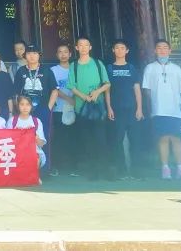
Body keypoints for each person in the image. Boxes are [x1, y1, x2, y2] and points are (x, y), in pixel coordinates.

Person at [141, 39, 181, 180]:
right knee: (163, 138)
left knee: (176, 138)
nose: (162, 50)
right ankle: (165, 168)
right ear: (155, 51)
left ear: (170, 51)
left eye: (165, 48)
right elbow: (147, 90)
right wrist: (156, 102)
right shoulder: (150, 68)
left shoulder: (176, 69)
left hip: (176, 110)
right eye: (159, 48)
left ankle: (180, 169)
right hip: (159, 110)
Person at [67, 36, 110, 179]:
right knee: (87, 140)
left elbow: (107, 83)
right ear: (76, 48)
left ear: (90, 47)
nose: (84, 48)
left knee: (101, 139)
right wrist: (84, 96)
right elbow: (71, 86)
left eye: (86, 45)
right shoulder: (73, 66)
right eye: (81, 45)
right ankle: (92, 171)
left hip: (98, 107)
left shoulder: (97, 63)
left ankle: (104, 170)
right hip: (82, 108)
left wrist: (97, 92)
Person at [106, 38, 144, 180]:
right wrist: (109, 107)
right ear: (113, 50)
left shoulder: (131, 68)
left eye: (122, 48)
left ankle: (136, 171)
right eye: (117, 48)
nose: (120, 50)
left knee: (136, 140)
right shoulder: (109, 69)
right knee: (117, 140)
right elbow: (107, 90)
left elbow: (137, 89)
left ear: (127, 51)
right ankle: (121, 171)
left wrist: (139, 108)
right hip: (116, 109)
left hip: (132, 108)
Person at [11, 44, 56, 133]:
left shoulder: (46, 70)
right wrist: (18, 108)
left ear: (39, 55)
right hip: (25, 109)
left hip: (43, 107)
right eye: (29, 53)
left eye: (35, 53)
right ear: (25, 55)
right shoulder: (21, 71)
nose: (32, 56)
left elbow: (54, 90)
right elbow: (16, 92)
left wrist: (48, 107)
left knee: (43, 133)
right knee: (24, 134)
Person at [47, 42, 75, 176]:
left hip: (74, 109)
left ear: (70, 54)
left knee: (73, 137)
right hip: (59, 109)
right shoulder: (53, 70)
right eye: (60, 52)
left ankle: (72, 166)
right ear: (57, 55)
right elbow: (54, 88)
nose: (63, 54)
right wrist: (68, 98)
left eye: (65, 52)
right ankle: (57, 166)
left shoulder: (75, 68)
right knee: (58, 138)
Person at [9, 95, 47, 169]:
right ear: (18, 106)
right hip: (16, 152)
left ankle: (33, 175)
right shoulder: (12, 121)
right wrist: (16, 134)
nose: (25, 107)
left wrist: (35, 137)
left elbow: (41, 144)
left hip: (33, 152)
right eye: (22, 104)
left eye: (27, 104)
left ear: (31, 106)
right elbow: (7, 141)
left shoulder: (36, 121)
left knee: (36, 159)